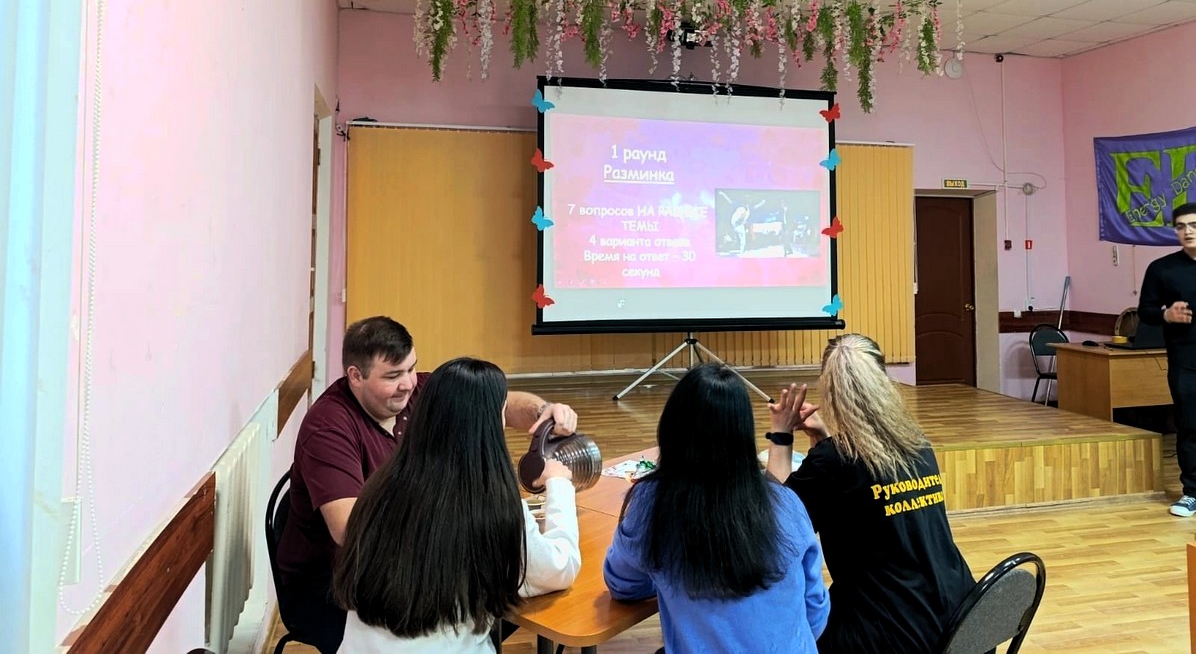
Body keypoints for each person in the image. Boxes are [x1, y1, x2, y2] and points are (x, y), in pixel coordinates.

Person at [275, 316, 579, 652]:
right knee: (508, 594)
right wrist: (554, 490)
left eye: (411, 368)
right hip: (336, 583)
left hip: (385, 587)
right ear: (356, 376)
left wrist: (545, 411)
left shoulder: (402, 450)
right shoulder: (329, 427)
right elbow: (353, 532)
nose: (408, 383)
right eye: (393, 375)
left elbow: (490, 403)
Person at [767, 334, 974, 653]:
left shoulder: (834, 461)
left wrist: (780, 435)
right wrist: (824, 439)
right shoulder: (918, 444)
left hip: (889, 635)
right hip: (960, 623)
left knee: (782, 628)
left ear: (830, 392)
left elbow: (779, 520)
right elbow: (858, 487)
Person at [603, 363, 829, 653]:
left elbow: (622, 585)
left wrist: (666, 577)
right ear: (744, 432)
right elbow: (816, 611)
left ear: (671, 428)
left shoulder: (653, 503)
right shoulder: (787, 502)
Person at [1138, 201, 1196, 517]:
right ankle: (1192, 493)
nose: (1188, 231)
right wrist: (1166, 315)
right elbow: (1146, 311)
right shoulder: (1162, 269)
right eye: (1181, 226)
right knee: (1189, 425)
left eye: (1194, 225)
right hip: (1186, 360)